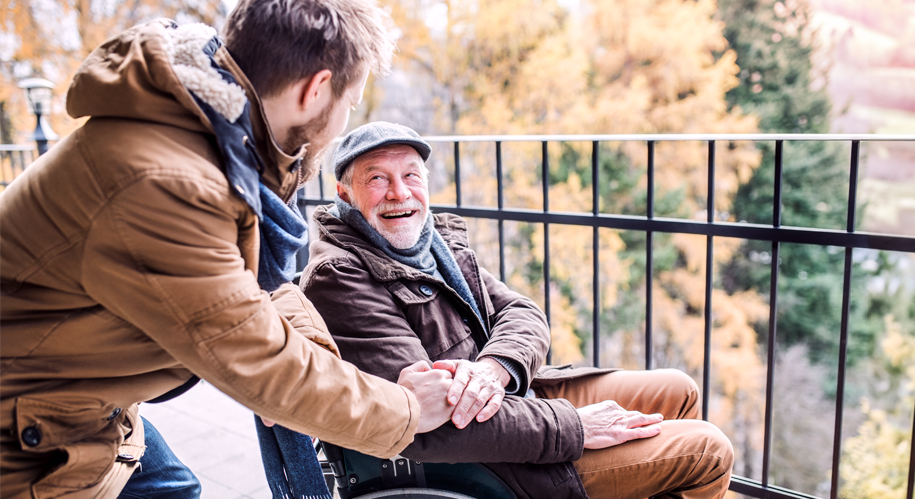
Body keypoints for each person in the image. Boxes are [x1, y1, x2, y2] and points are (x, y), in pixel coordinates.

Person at [0, 2, 456, 498]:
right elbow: (262, 366)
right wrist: (407, 409)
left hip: (81, 393)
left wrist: (327, 362)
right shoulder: (166, 184)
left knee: (175, 488)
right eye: (350, 104)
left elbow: (260, 283)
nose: (343, 123)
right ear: (316, 90)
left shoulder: (216, 136)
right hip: (29, 426)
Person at [299, 121, 736, 499]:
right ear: (344, 192)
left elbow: (522, 313)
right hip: (491, 459)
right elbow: (426, 427)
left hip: (513, 398)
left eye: (411, 175)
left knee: (678, 389)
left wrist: (493, 369)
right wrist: (576, 428)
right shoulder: (340, 275)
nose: (399, 193)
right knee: (708, 450)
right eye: (377, 178)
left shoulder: (430, 244)